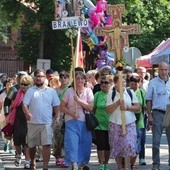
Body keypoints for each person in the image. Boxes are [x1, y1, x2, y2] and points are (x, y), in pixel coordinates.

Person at [22, 69, 60, 170]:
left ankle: (45, 166)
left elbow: (56, 106)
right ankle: (32, 162)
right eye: (37, 76)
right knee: (32, 145)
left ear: (45, 78)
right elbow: (25, 104)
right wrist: (27, 112)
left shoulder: (51, 91)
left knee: (46, 144)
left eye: (41, 76)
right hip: (32, 122)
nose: (39, 78)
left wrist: (57, 117)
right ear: (34, 78)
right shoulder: (30, 90)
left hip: (46, 123)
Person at [60, 71, 94, 170]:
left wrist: (79, 101)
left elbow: (90, 107)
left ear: (85, 80)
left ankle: (81, 164)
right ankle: (74, 164)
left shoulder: (88, 91)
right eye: (77, 78)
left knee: (85, 143)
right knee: (72, 142)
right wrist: (71, 114)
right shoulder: (69, 91)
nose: (80, 80)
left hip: (85, 123)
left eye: (82, 78)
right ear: (74, 80)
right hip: (71, 121)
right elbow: (62, 107)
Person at [106, 74, 140, 170]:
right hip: (115, 123)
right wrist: (117, 103)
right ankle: (120, 167)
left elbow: (138, 107)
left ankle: (127, 167)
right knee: (116, 146)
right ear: (115, 83)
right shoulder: (111, 94)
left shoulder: (130, 92)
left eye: (124, 82)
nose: (122, 84)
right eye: (120, 82)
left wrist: (128, 107)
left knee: (128, 145)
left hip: (129, 123)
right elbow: (108, 110)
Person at [146, 62, 170, 170]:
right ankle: (156, 164)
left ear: (168, 70)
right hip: (157, 113)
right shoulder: (152, 83)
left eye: (166, 69)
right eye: (162, 69)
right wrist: (150, 115)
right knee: (156, 141)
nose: (164, 72)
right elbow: (149, 100)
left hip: (169, 112)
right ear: (158, 70)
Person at [11, 75, 33, 168]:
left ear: (30, 85)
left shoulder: (33, 94)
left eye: (26, 84)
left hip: (29, 120)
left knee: (27, 141)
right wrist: (7, 114)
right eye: (22, 84)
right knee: (17, 141)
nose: (23, 86)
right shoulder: (15, 93)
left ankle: (27, 161)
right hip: (18, 120)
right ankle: (19, 154)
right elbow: (9, 103)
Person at [94, 75, 113, 170]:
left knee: (108, 145)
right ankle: (101, 163)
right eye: (102, 83)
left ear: (111, 84)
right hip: (99, 124)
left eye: (106, 83)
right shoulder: (97, 94)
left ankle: (106, 163)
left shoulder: (113, 94)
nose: (103, 85)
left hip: (110, 124)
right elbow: (93, 108)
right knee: (101, 144)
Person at [53, 71, 69, 167]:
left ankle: (64, 157)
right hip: (58, 115)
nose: (64, 79)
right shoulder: (55, 91)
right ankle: (57, 155)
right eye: (62, 77)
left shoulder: (70, 90)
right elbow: (55, 105)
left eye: (66, 77)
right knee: (58, 136)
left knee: (66, 137)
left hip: (68, 115)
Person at [129, 75, 146, 169]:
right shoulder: (127, 92)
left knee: (138, 141)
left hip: (139, 121)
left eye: (136, 83)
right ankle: (128, 160)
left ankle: (133, 163)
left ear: (139, 83)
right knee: (129, 141)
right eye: (132, 83)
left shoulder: (142, 93)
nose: (134, 85)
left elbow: (144, 107)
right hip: (129, 120)